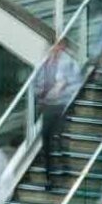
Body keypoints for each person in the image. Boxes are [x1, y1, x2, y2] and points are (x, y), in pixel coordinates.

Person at [34, 38, 81, 190]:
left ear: (62, 47)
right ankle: (49, 178)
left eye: (57, 45)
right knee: (46, 140)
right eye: (52, 46)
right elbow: (36, 84)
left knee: (60, 137)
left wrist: (62, 90)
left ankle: (65, 167)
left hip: (61, 105)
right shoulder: (44, 64)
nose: (54, 49)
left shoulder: (69, 63)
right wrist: (41, 94)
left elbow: (76, 84)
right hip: (48, 106)